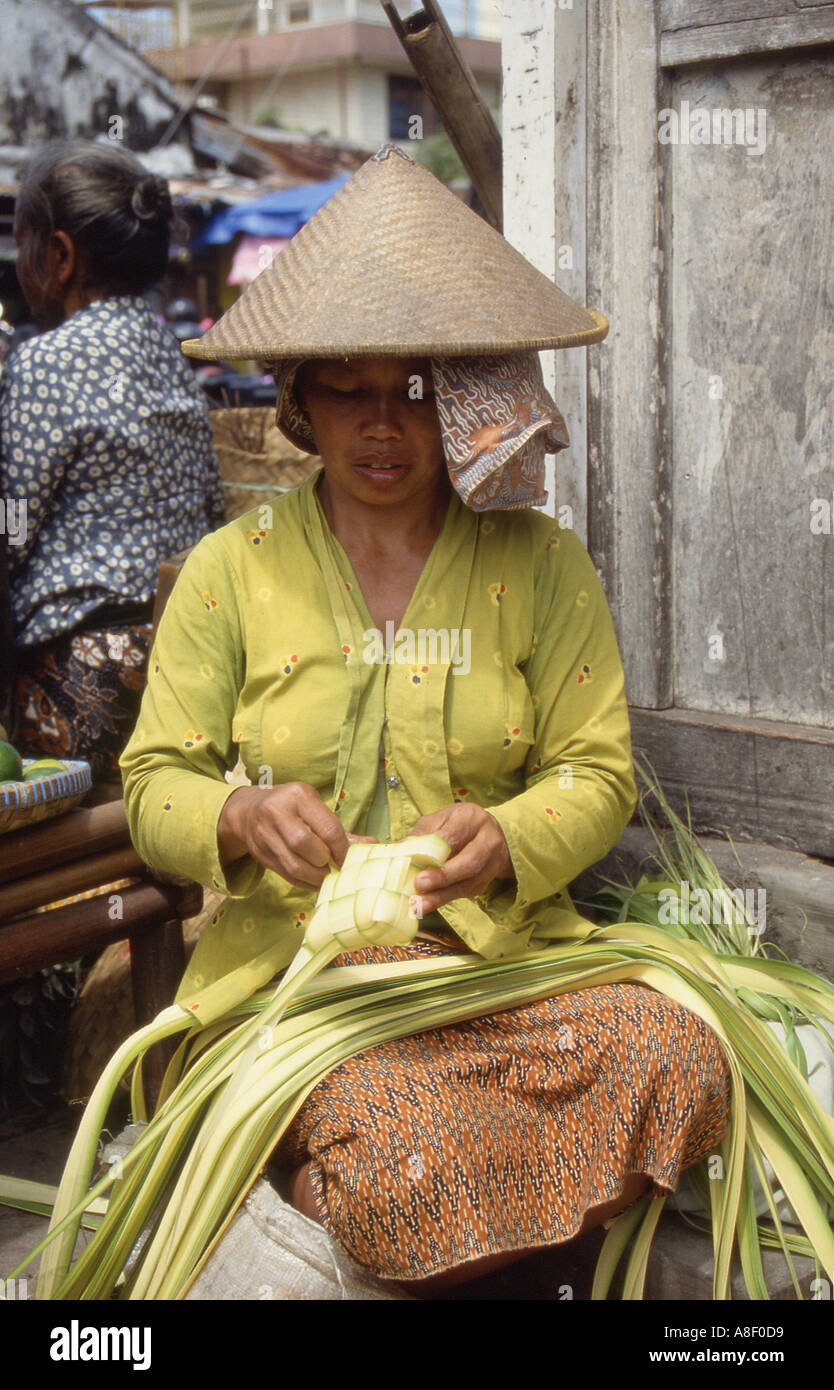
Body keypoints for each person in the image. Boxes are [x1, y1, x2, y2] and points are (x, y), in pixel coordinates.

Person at [120, 147, 730, 1294]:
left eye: (413, 388)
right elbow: (153, 781)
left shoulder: (542, 565)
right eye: (347, 387)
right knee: (404, 1157)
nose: (383, 423)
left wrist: (509, 837)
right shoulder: (230, 572)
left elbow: (596, 771)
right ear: (298, 402)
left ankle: (423, 1238)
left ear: (454, 394)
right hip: (312, 995)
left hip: (502, 973)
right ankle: (410, 1216)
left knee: (683, 1055)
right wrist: (243, 815)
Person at [0, 140, 225, 781]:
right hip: (182, 658)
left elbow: (12, 526)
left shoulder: (47, 359)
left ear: (62, 255)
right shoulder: (173, 353)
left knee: (56, 845)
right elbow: (211, 511)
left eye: (24, 246)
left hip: (80, 669)